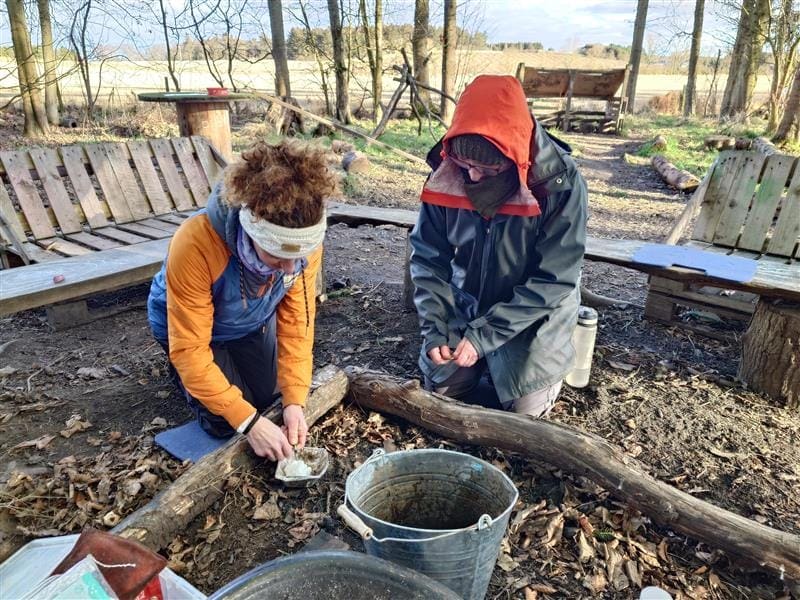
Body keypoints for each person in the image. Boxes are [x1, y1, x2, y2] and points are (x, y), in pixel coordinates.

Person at [409, 74, 588, 418]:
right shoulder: (448, 173)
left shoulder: (558, 182)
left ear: (514, 157)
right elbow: (428, 259)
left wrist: (485, 336)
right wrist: (436, 327)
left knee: (522, 413)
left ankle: (535, 374)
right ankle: (478, 360)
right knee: (443, 391)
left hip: (535, 314)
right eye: (466, 166)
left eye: (487, 169)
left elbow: (555, 278)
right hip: (468, 302)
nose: (473, 177)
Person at [147, 139, 337, 460]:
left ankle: (221, 378)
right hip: (192, 331)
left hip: (249, 321)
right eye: (277, 257)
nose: (290, 268)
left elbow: (297, 325)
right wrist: (248, 422)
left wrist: (295, 400)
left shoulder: (303, 249)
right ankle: (181, 374)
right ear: (251, 231)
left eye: (298, 257)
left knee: (269, 400)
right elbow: (191, 349)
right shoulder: (195, 242)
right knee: (227, 422)